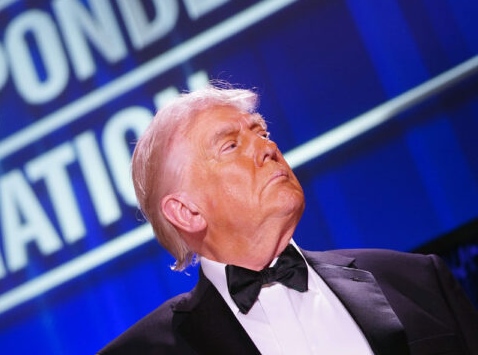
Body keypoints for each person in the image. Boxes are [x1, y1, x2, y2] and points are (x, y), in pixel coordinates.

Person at [98, 84, 478, 355]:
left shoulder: (418, 281)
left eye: (262, 132)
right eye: (231, 145)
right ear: (187, 211)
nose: (268, 147)